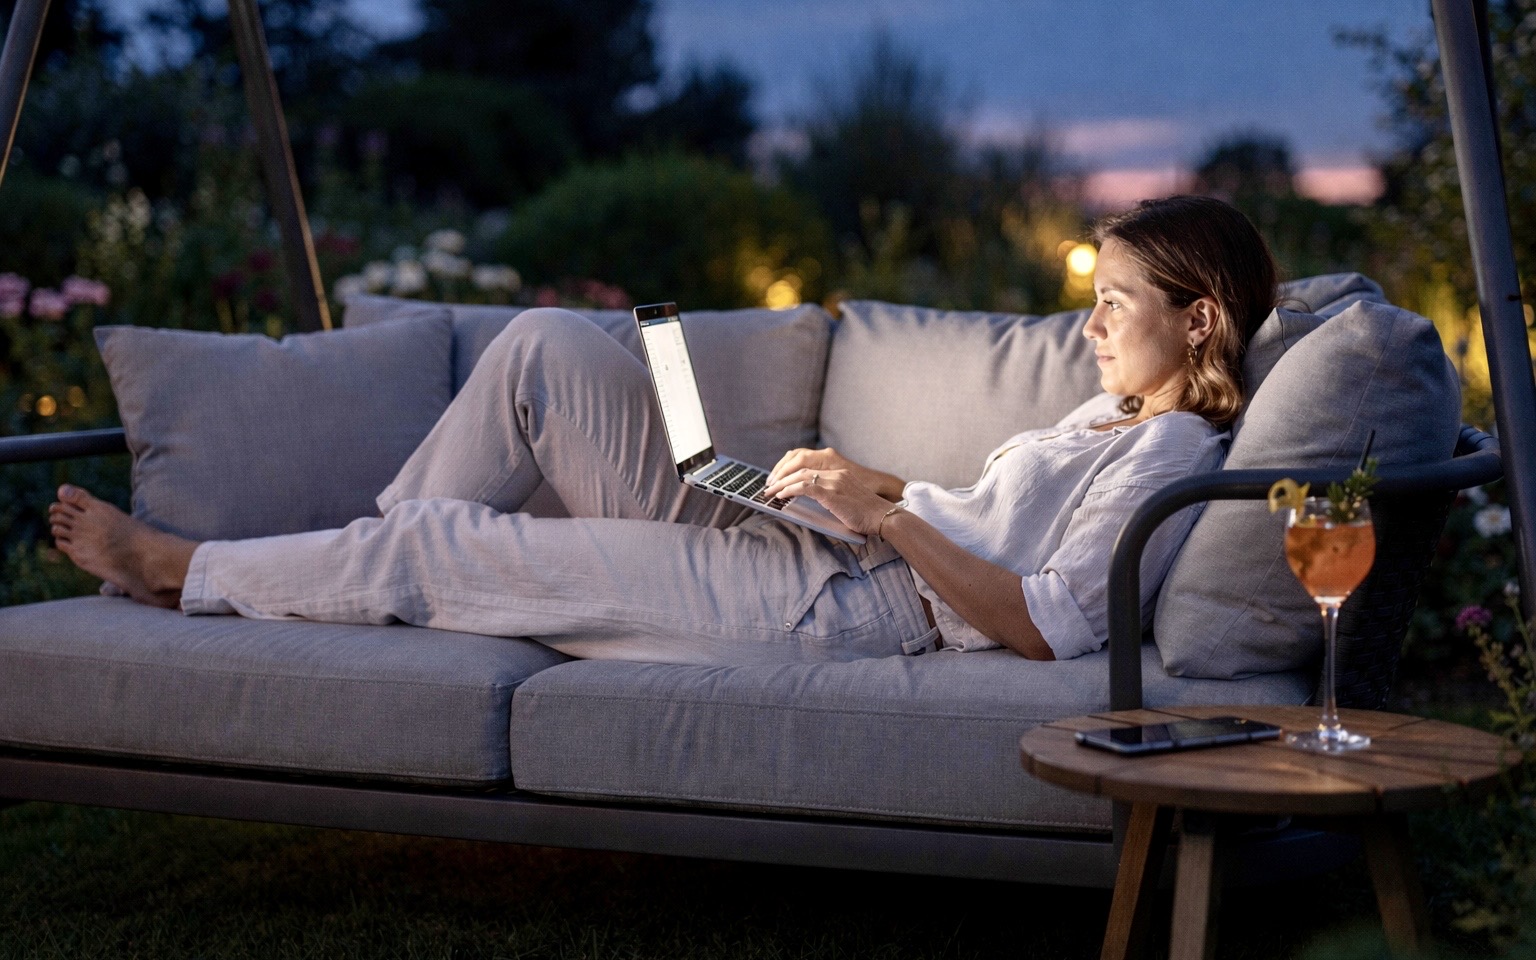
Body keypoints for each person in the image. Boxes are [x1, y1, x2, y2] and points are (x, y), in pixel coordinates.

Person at [48, 195, 1277, 666]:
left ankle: (186, 571)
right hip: (820, 541)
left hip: (844, 605)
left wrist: (887, 516)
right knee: (541, 345)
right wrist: (863, 480)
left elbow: (1044, 622)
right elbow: (993, 523)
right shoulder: (1115, 415)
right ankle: (343, 569)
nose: (1089, 326)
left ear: (1202, 315)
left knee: (439, 545)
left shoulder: (1172, 456)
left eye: (1113, 303)